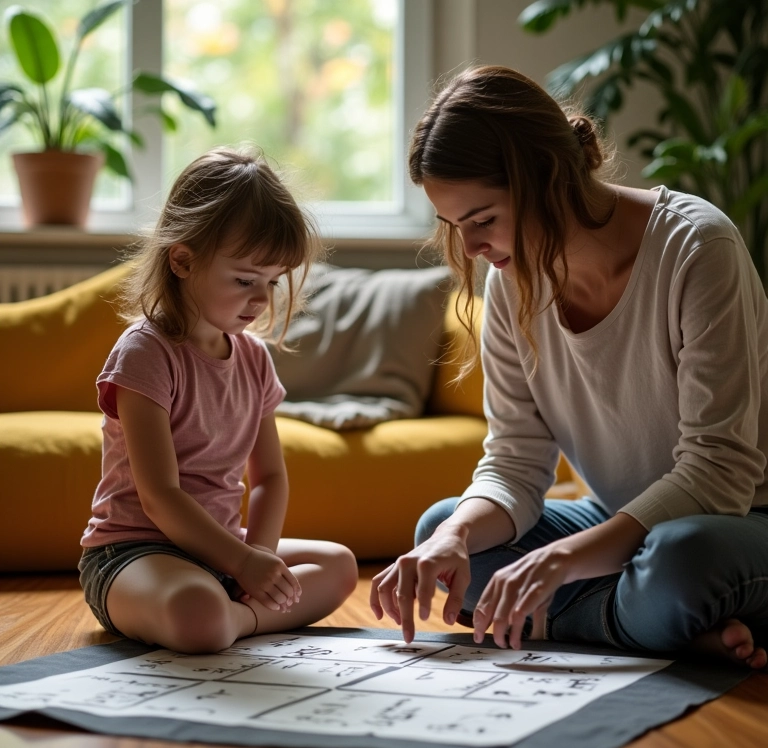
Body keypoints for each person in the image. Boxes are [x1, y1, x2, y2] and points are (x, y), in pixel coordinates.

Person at [370, 65, 768, 670]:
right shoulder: (510, 282)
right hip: (618, 519)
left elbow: (719, 474)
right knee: (441, 529)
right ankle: (656, 627)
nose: (471, 248)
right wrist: (457, 537)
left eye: (483, 220)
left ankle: (612, 617)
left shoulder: (697, 248)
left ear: (549, 178)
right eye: (455, 227)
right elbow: (515, 462)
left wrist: (562, 561)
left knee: (683, 561)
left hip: (735, 521)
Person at [80, 147, 358, 654]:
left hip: (224, 554)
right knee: (199, 612)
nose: (262, 299)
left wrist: (259, 560)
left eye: (272, 282)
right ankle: (231, 619)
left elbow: (269, 477)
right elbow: (159, 496)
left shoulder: (253, 358)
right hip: (134, 554)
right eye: (245, 280)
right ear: (183, 260)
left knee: (339, 565)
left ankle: (237, 618)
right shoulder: (145, 353)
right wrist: (243, 564)